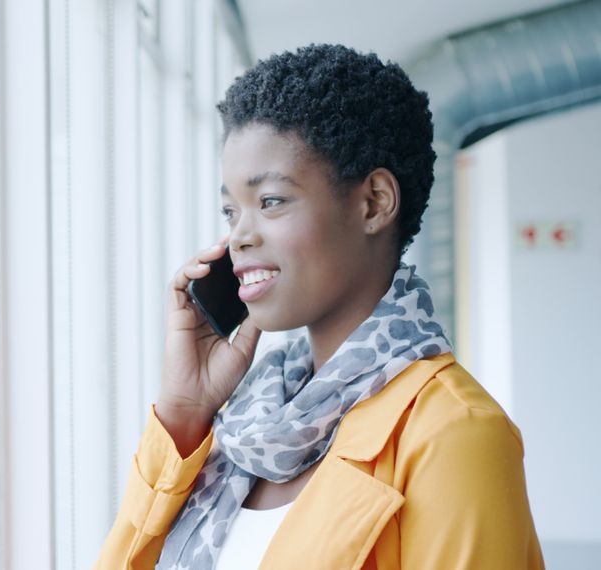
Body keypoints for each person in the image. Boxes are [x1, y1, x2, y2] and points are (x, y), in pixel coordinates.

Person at [95, 44, 544, 569]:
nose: (239, 236)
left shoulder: (455, 434)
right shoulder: (245, 426)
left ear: (374, 202)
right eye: (230, 210)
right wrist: (184, 411)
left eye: (270, 201)